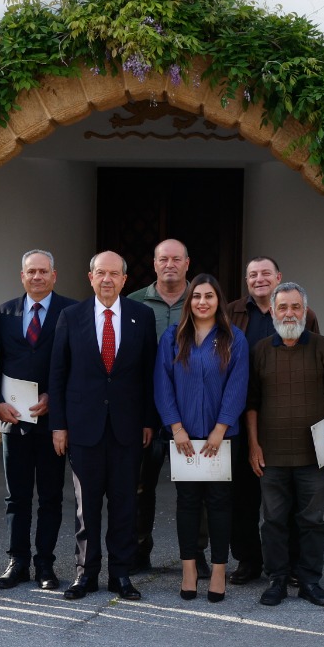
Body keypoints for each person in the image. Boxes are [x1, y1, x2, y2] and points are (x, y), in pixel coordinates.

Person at [49, 251, 158, 601]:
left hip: (128, 427)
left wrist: (148, 421)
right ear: (90, 277)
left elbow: (149, 374)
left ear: (125, 280)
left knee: (125, 504)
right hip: (83, 427)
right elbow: (58, 374)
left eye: (114, 274)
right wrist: (58, 425)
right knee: (87, 505)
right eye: (101, 273)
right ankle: (85, 573)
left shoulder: (142, 316)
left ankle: (121, 574)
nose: (107, 279)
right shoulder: (71, 316)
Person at [222, 256, 322, 585]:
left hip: (287, 418)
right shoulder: (232, 312)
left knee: (286, 496)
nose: (259, 279)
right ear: (246, 280)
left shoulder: (303, 313)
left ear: (278, 277)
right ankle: (248, 560)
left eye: (266, 273)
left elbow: (315, 362)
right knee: (243, 494)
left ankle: (288, 563)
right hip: (243, 415)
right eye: (253, 274)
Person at [245, 282, 324, 607]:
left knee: (312, 521)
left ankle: (309, 581)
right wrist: (254, 445)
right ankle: (277, 579)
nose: (289, 313)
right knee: (274, 521)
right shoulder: (260, 350)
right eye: (283, 307)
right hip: (272, 454)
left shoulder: (323, 348)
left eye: (296, 307)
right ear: (273, 311)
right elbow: (251, 403)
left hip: (315, 454)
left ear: (305, 311)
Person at [155, 274, 248, 603]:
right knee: (187, 504)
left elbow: (238, 386)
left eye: (209, 296)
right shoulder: (173, 337)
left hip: (221, 438)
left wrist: (220, 429)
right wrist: (176, 428)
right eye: (196, 296)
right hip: (184, 438)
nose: (202, 302)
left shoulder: (233, 338)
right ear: (189, 301)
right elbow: (162, 384)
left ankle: (219, 571)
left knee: (220, 504)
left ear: (218, 301)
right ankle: (189, 570)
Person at [0, 249, 68, 590]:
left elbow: (75, 364)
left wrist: (54, 396)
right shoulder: (2, 314)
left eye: (43, 271)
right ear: (22, 276)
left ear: (54, 275)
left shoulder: (71, 312)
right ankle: (17, 561)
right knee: (17, 496)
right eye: (31, 271)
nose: (37, 276)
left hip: (52, 421)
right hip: (13, 420)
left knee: (51, 496)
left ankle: (45, 564)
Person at [129, 238, 191, 570]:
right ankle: (138, 552)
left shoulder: (202, 299)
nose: (169, 264)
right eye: (163, 259)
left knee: (195, 487)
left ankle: (195, 555)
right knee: (140, 486)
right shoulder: (134, 302)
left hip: (191, 409)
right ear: (154, 264)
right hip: (146, 411)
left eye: (176, 259)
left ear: (187, 263)